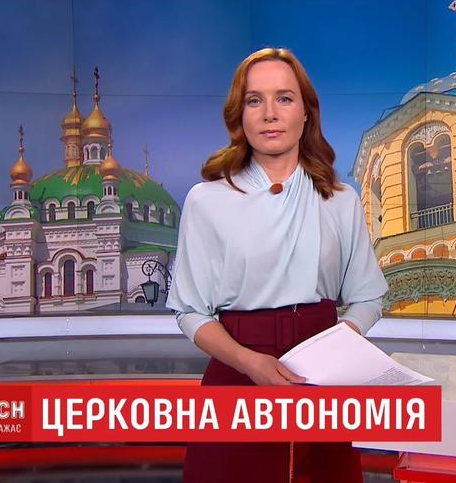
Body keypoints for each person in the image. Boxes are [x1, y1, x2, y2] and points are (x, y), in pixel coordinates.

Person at [165, 47, 389, 483]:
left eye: (284, 98)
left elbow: (367, 299)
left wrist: (336, 345)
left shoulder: (340, 200)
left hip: (321, 382)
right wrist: (248, 362)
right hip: (236, 376)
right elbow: (190, 312)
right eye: (255, 100)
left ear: (306, 113)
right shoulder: (206, 201)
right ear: (240, 116)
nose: (270, 113)